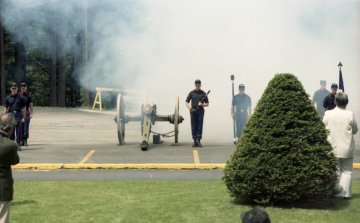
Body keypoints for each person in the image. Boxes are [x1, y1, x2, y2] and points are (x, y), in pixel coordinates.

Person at [323, 92, 358, 198]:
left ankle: (337, 193)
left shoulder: (327, 114)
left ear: (335, 101)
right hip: (346, 147)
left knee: (336, 170)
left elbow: (323, 128)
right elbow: (355, 130)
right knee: (347, 171)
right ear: (346, 102)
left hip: (332, 146)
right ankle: (346, 194)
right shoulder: (350, 114)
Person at [0, 113, 20, 223]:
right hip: (3, 187)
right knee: (3, 218)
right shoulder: (10, 145)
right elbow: (15, 161)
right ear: (8, 128)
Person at [185, 79, 209, 147]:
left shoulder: (204, 94)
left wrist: (202, 105)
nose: (198, 86)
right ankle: (194, 140)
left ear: (200, 85)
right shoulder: (191, 93)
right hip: (193, 111)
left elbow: (207, 104)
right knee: (193, 125)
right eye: (196, 85)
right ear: (195, 85)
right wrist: (190, 108)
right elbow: (186, 102)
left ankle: (198, 140)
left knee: (199, 125)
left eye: (199, 85)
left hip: (200, 111)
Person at [4, 83, 26, 150]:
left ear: (17, 89)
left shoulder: (21, 97)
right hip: (10, 115)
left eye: (15, 88)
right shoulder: (8, 97)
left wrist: (23, 117)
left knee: (18, 130)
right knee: (11, 130)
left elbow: (24, 108)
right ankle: (12, 145)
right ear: (11, 89)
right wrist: (5, 115)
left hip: (18, 114)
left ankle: (18, 145)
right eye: (12, 88)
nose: (14, 89)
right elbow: (5, 107)